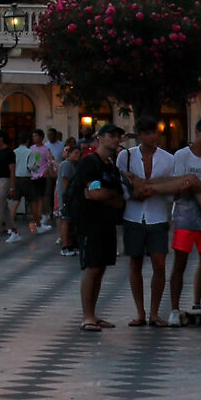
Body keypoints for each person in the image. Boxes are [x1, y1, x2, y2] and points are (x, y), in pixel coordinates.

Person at [118, 117, 176, 327]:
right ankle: (140, 312)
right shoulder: (126, 157)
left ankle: (154, 312)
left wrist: (156, 190)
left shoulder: (168, 159)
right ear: (140, 136)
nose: (152, 137)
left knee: (159, 264)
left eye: (154, 133)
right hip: (133, 214)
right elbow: (121, 184)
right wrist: (133, 194)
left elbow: (172, 187)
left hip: (158, 215)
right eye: (148, 133)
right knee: (135, 263)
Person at [70, 125, 125, 330]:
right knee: (92, 268)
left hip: (107, 223)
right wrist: (109, 195)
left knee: (101, 268)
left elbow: (118, 199)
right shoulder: (89, 163)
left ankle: (93, 313)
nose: (116, 139)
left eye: (118, 136)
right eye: (111, 135)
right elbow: (94, 194)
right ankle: (87, 316)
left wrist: (108, 194)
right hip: (89, 222)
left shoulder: (111, 166)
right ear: (99, 138)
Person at [166, 118, 201, 322]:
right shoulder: (182, 155)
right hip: (185, 216)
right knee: (180, 263)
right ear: (196, 133)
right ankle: (174, 309)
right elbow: (179, 184)